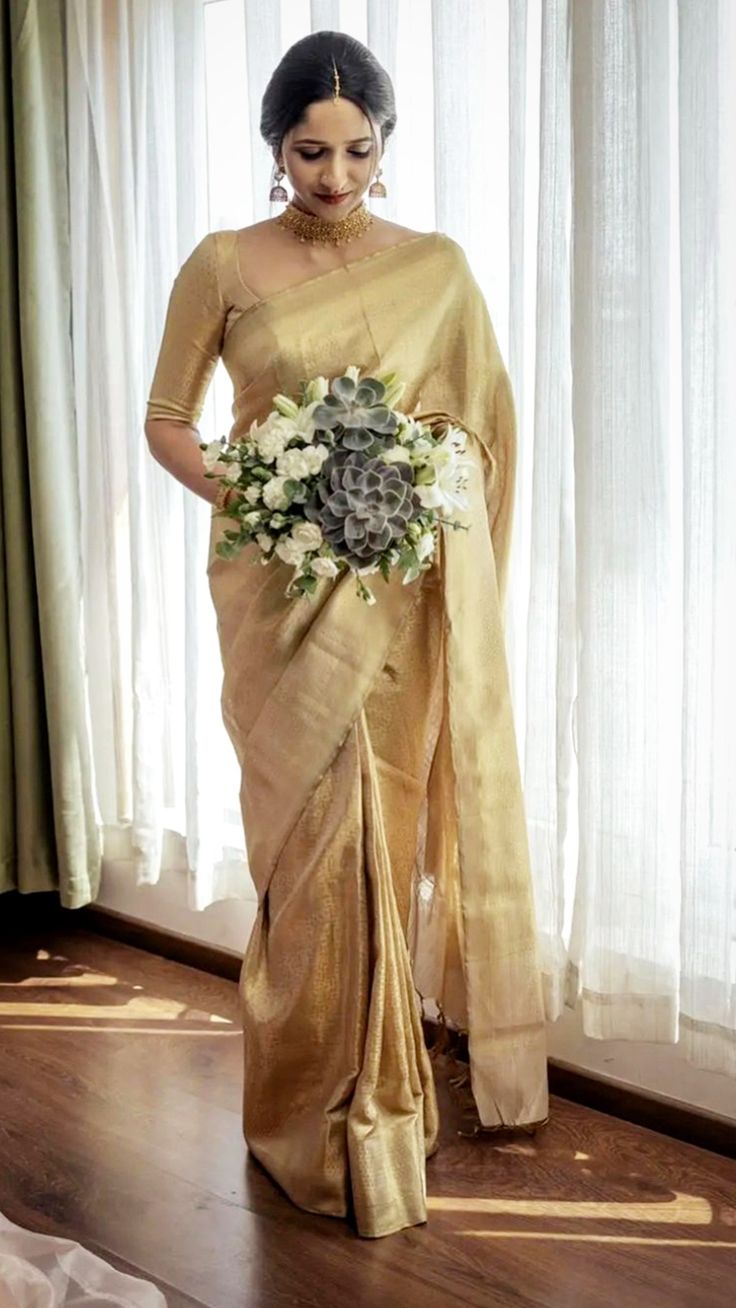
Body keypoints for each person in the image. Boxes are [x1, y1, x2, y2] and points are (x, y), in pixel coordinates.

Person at [144, 30, 548, 1240]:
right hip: (276, 598)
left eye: (356, 150)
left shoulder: (438, 269)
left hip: (400, 600)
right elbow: (169, 422)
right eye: (308, 152)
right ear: (275, 146)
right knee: (307, 857)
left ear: (384, 144)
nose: (333, 176)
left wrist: (413, 483)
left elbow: (479, 432)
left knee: (384, 832)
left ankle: (380, 1105)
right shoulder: (223, 262)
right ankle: (305, 1119)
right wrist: (266, 493)